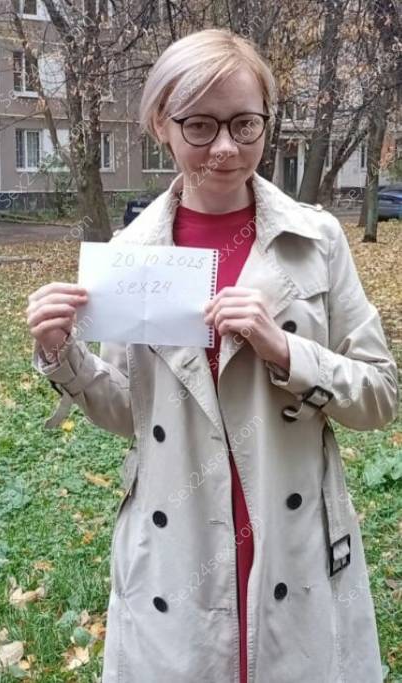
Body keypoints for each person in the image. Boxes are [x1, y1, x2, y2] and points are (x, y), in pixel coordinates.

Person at [27, 28, 398, 683]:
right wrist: (64, 356)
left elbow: (381, 397)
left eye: (244, 124)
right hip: (177, 548)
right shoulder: (133, 255)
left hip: (291, 537)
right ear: (160, 125)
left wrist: (286, 350)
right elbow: (131, 414)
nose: (225, 147)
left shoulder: (315, 241)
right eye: (199, 125)